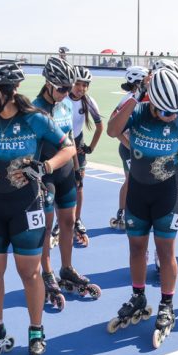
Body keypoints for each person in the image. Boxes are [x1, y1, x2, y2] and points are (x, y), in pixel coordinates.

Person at [0, 60, 75, 355]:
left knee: (29, 273)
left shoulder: (35, 119)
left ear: (3, 92)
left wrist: (45, 166)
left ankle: (36, 329)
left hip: (27, 207)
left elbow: (68, 149)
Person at [106, 68, 178, 348]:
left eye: (176, 111)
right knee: (136, 249)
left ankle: (167, 304)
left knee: (165, 251)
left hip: (167, 194)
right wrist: (136, 95)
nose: (172, 116)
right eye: (167, 111)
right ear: (154, 102)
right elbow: (112, 130)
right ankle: (138, 296)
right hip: (138, 192)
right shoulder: (138, 112)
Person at [33, 57, 99, 306]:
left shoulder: (65, 107)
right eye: (61, 89)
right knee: (46, 227)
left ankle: (67, 268)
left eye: (68, 89)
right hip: (45, 175)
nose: (65, 93)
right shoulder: (34, 110)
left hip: (66, 173)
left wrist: (77, 170)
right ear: (48, 84)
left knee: (69, 222)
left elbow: (70, 140)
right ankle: (47, 272)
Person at [109, 66, 151, 230]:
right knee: (131, 181)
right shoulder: (128, 100)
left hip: (138, 148)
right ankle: (122, 213)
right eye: (146, 81)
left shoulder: (144, 98)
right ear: (138, 83)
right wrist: (131, 146)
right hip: (129, 149)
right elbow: (114, 128)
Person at [69, 66, 102, 247]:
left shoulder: (88, 101)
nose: (81, 88)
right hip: (60, 145)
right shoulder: (62, 99)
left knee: (79, 185)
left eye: (85, 85)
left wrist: (90, 148)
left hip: (77, 143)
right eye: (78, 84)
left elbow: (100, 127)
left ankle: (77, 219)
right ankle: (60, 220)